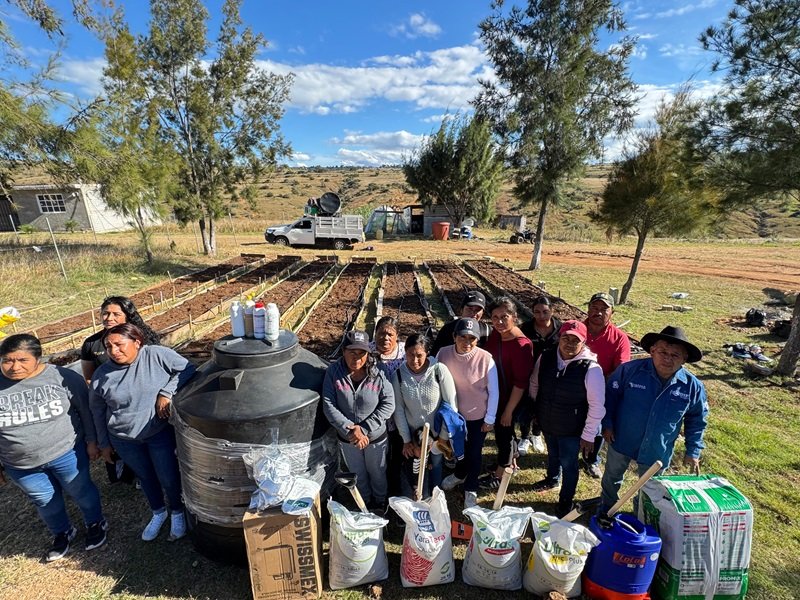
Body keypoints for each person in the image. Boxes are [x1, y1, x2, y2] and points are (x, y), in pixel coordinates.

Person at [0, 334, 107, 562]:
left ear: (38, 359)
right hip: (20, 464)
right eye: (7, 360)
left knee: (80, 490)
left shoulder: (62, 377)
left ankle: (95, 522)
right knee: (45, 500)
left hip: (66, 452)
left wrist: (91, 441)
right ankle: (62, 532)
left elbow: (85, 411)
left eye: (22, 360)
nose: (14, 367)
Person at [89, 323, 196, 542]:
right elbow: (97, 411)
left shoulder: (155, 355)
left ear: (137, 342)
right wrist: (103, 443)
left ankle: (176, 511)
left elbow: (187, 368)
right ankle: (158, 512)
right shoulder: (102, 375)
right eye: (108, 347)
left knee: (168, 476)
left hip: (158, 432)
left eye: (119, 344)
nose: (114, 351)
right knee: (146, 476)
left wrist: (166, 392)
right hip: (124, 438)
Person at [600, 326, 708, 513]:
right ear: (652, 351)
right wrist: (607, 424)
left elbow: (697, 419)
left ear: (684, 359)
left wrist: (693, 450)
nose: (667, 358)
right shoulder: (630, 371)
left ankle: (640, 513)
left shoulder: (693, 387)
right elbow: (610, 397)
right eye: (663, 352)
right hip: (622, 438)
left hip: (658, 448)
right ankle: (607, 507)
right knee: (612, 476)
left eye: (675, 355)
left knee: (650, 488)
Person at [528, 321, 605, 517]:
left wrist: (588, 435)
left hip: (572, 427)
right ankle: (552, 479)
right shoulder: (546, 358)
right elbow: (535, 383)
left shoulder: (591, 369)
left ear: (584, 342)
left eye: (575, 340)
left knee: (569, 463)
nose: (569, 344)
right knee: (553, 454)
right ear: (559, 338)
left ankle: (566, 499)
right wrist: (535, 410)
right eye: (565, 338)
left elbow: (597, 406)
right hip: (548, 420)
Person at [81, 296, 159, 484]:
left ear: (128, 316)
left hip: (143, 401)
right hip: (112, 403)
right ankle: (127, 472)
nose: (109, 318)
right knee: (120, 443)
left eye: (116, 314)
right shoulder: (92, 344)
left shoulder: (142, 339)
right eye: (105, 313)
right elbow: (90, 378)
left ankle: (149, 473)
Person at [322, 330, 395, 511]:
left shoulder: (379, 372)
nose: (357, 357)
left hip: (375, 437)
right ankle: (364, 503)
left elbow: (388, 404)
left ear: (368, 353)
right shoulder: (333, 372)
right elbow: (328, 405)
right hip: (349, 438)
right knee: (358, 474)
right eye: (352, 352)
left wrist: (363, 428)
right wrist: (350, 429)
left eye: (361, 353)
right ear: (343, 351)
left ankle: (380, 502)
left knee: (377, 472)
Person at [437, 317, 499, 508]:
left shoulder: (486, 359)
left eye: (472, 339)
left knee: (474, 452)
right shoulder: (443, 354)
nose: (467, 342)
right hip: (453, 415)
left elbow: (494, 391)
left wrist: (490, 418)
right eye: (463, 337)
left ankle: (470, 488)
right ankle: (459, 474)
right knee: (458, 449)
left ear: (477, 340)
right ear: (454, 337)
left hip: (476, 416)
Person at [392, 333, 458, 498]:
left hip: (436, 433)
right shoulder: (399, 376)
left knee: (435, 465)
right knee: (414, 467)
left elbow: (451, 406)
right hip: (414, 435)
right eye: (410, 355)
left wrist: (442, 437)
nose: (414, 361)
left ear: (427, 353)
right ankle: (416, 497)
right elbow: (399, 409)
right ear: (404, 353)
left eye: (419, 355)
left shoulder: (438, 370)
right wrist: (407, 440)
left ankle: (434, 498)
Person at [481, 297, 534, 490]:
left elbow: (521, 383)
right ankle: (510, 462)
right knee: (505, 433)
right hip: (498, 393)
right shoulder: (497, 334)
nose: (499, 322)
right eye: (495, 317)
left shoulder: (522, 345)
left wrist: (508, 411)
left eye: (504, 317)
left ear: (514, 316)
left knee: (504, 432)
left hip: (512, 397)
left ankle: (500, 474)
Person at [582, 292, 631, 478]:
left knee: (599, 423)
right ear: (588, 309)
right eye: (594, 308)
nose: (598, 312)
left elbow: (620, 369)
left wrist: (596, 381)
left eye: (604, 309)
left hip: (604, 388)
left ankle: (592, 460)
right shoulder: (579, 330)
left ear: (612, 312)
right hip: (574, 385)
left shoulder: (619, 338)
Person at [518, 296, 562, 455]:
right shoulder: (525, 329)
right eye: (537, 312)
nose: (541, 316)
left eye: (545, 311)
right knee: (527, 404)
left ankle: (537, 434)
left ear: (552, 311)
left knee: (543, 405)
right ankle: (524, 436)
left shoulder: (560, 329)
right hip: (529, 372)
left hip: (551, 374)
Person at [431, 290, 491, 356]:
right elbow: (435, 354)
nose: (473, 313)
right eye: (470, 309)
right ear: (461, 310)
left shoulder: (487, 331)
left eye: (477, 310)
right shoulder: (448, 329)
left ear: (482, 313)